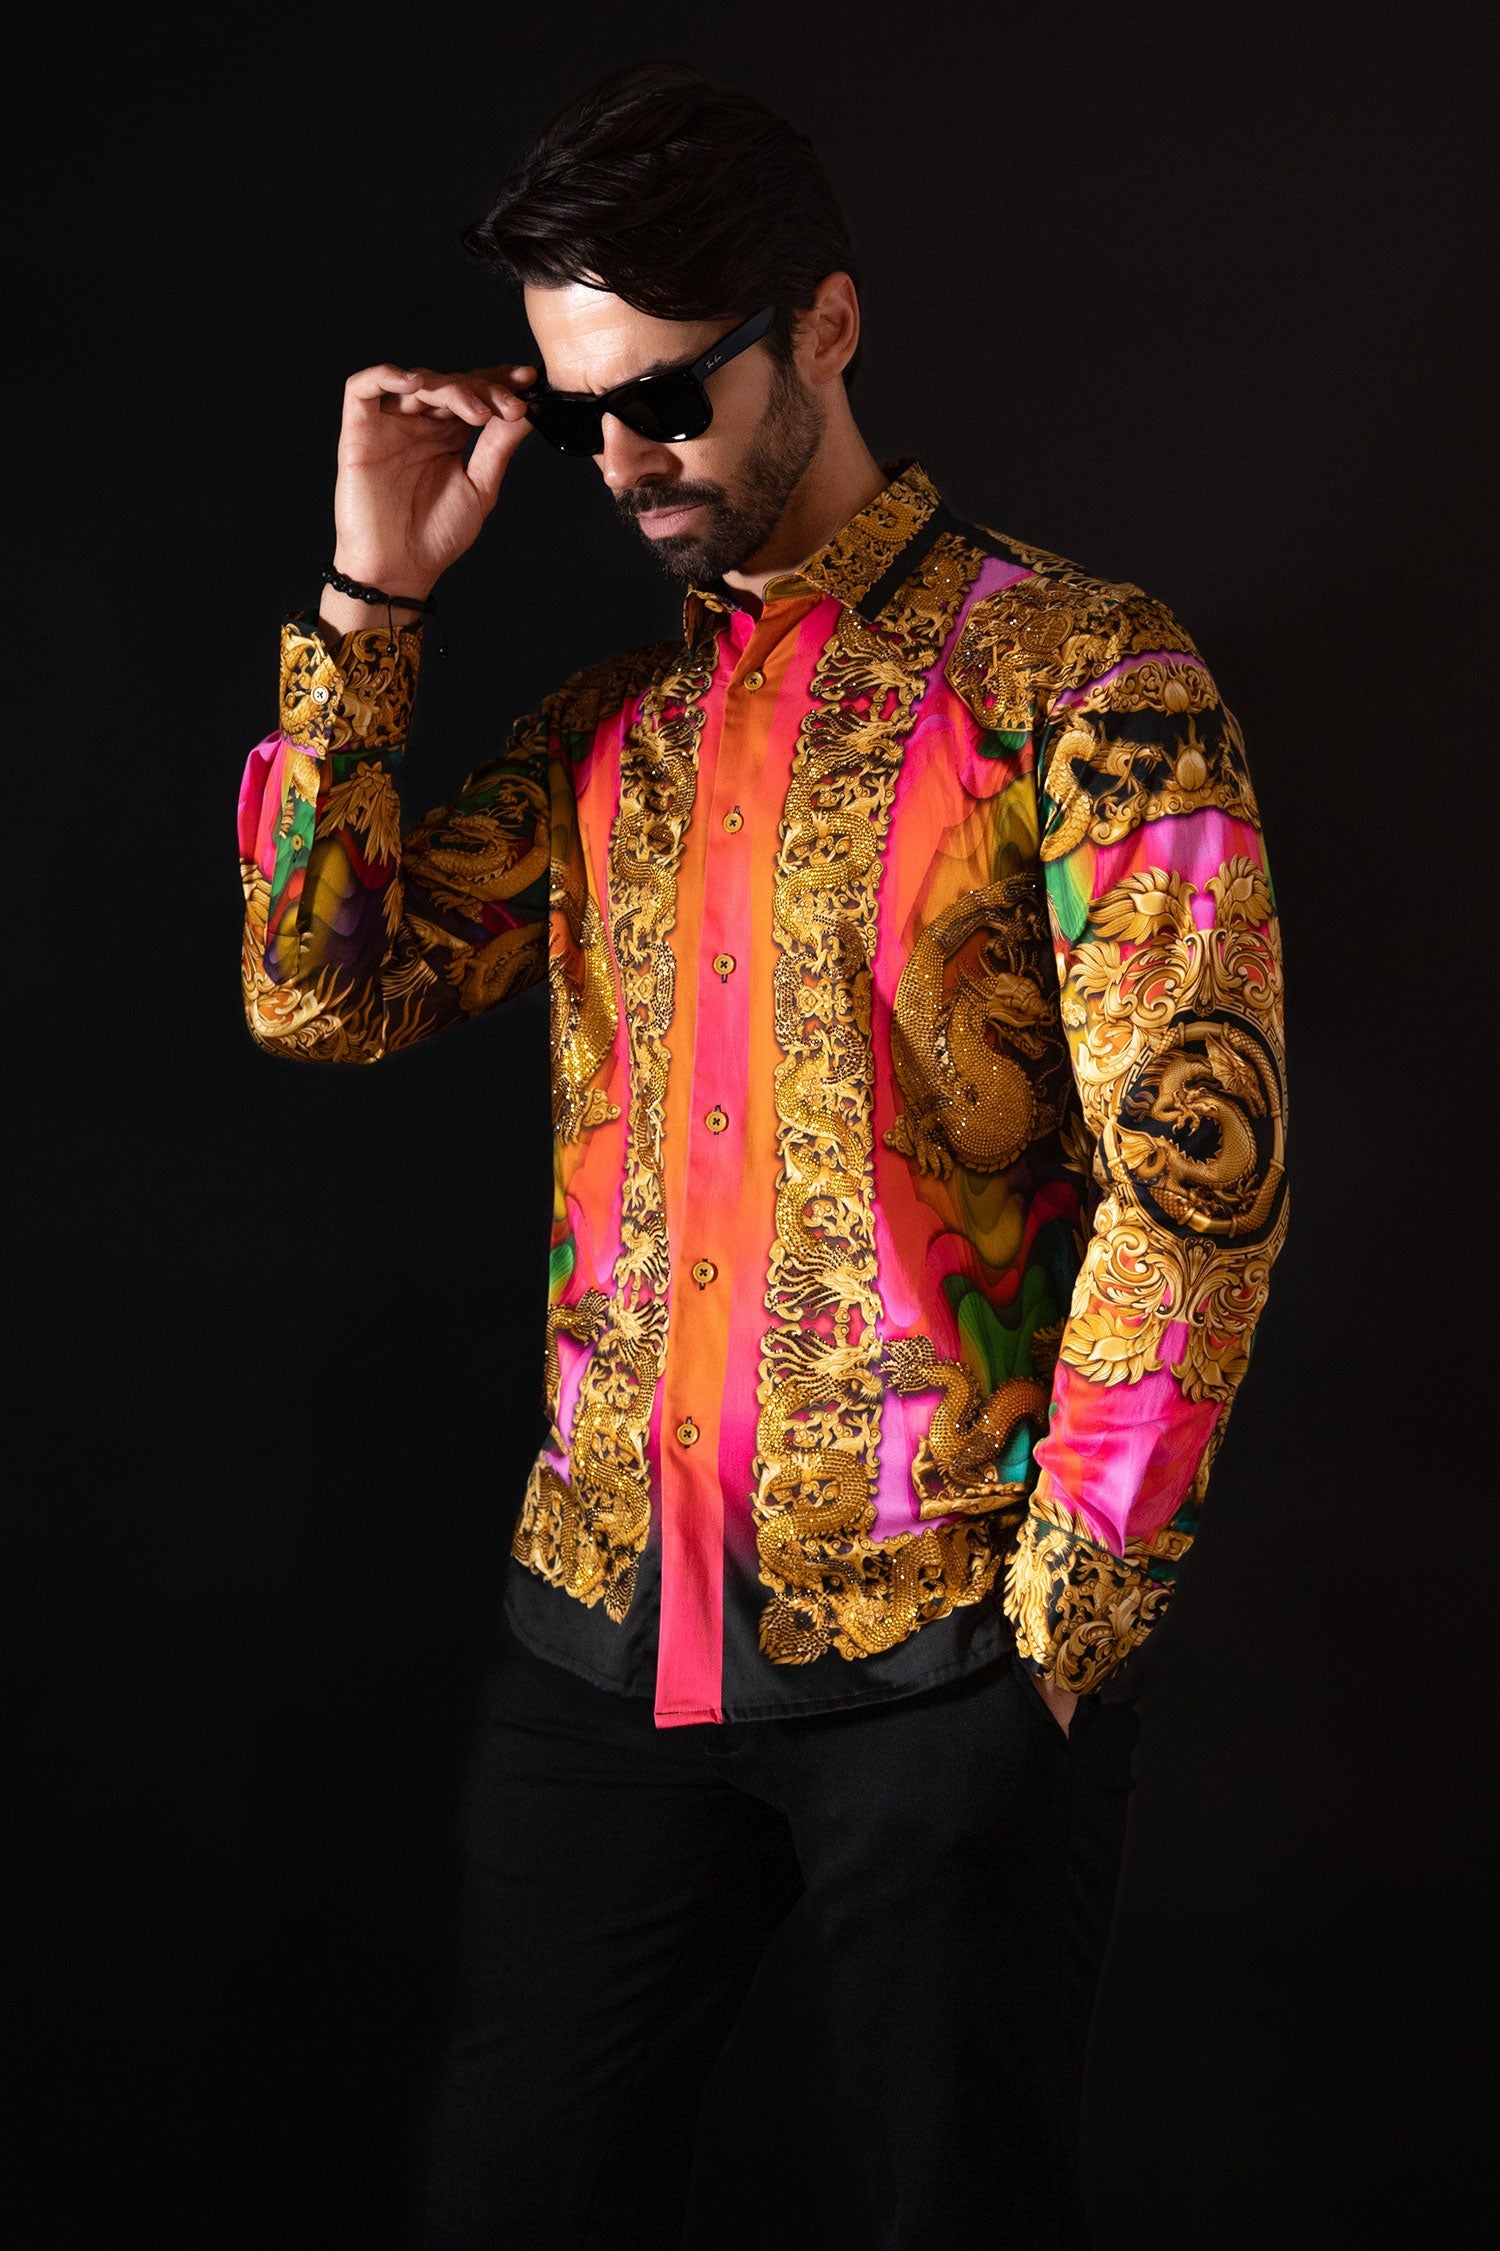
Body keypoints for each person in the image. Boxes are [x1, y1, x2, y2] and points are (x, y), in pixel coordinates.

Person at [237, 60, 1288, 2251]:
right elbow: (321, 993)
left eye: (667, 397)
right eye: (578, 413)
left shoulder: (1083, 683)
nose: (623, 460)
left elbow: (1202, 1177)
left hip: (953, 1648)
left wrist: (1063, 1631)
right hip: (604, 1636)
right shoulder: (607, 736)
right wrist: (369, 607)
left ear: (826, 325)